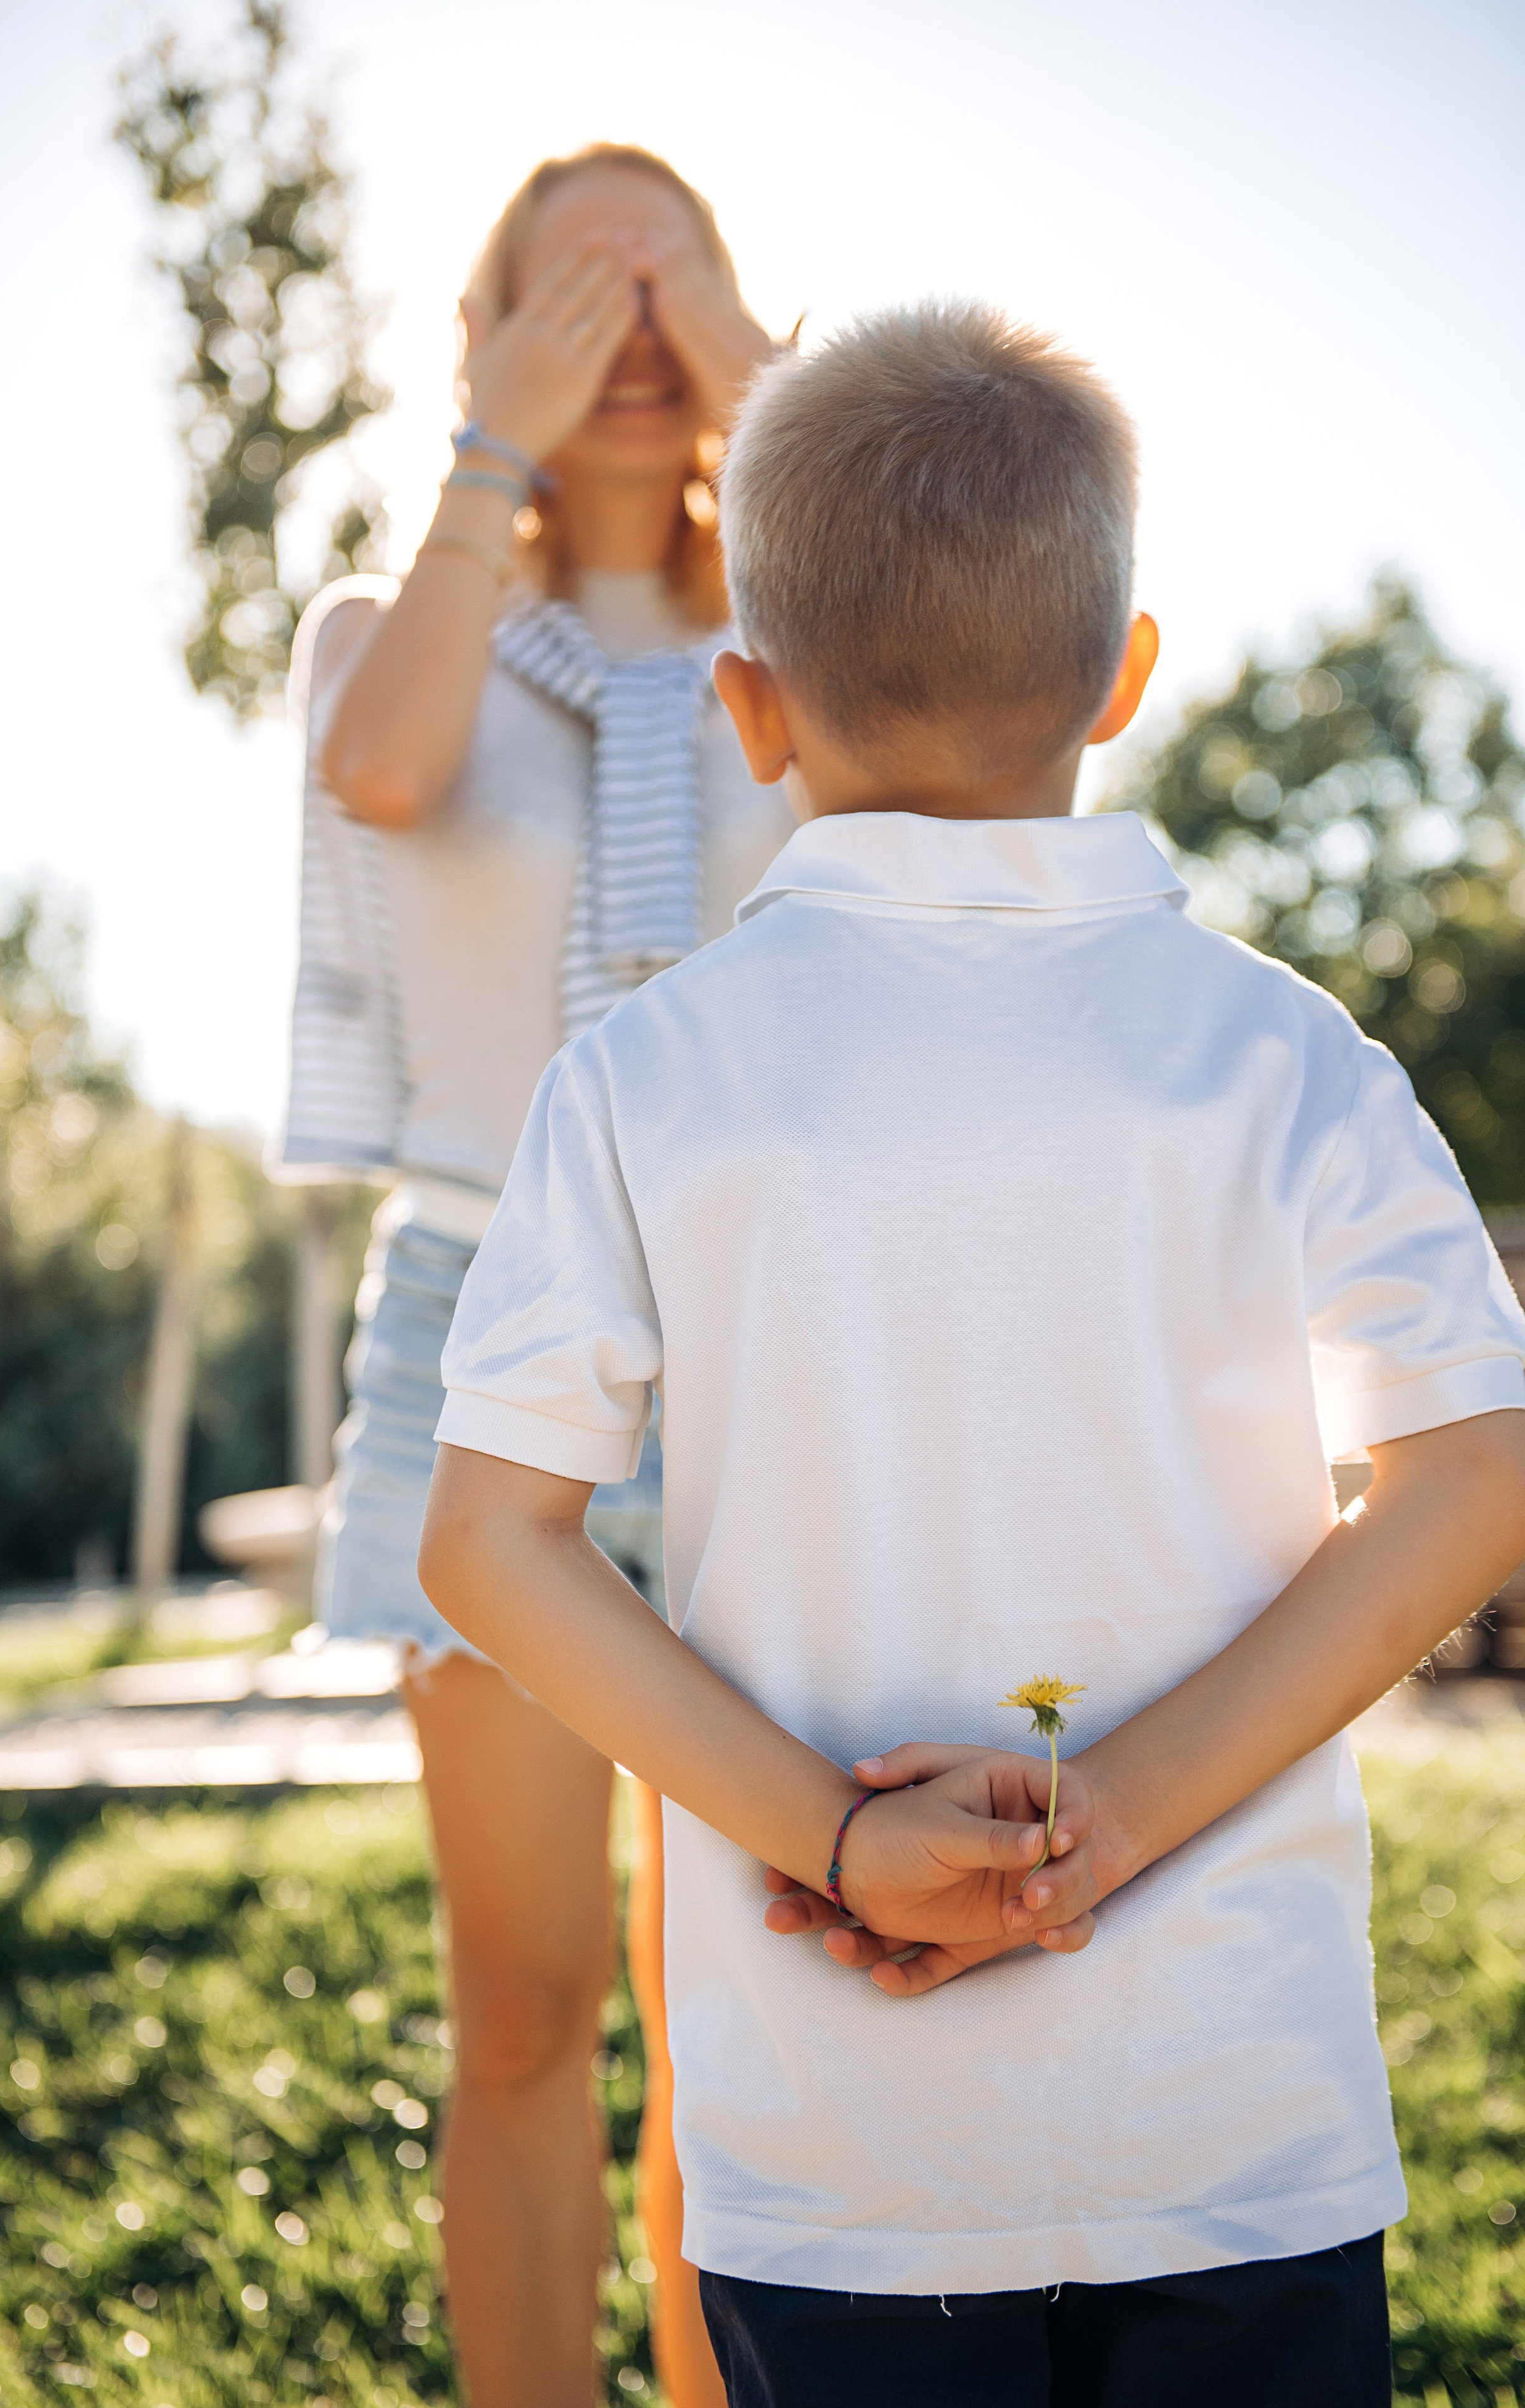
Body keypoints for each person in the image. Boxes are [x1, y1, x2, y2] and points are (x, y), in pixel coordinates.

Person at [416, 301, 1525, 2408]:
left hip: (840, 2157)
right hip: (1235, 2130)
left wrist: (832, 1844)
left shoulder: (649, 1078)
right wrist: (1105, 1820)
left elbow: (491, 1544)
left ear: (752, 707)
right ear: (1125, 677)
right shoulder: (1289, 1053)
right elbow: (1476, 1473)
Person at [282, 145, 791, 2408]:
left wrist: (759, 378)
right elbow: (381, 774)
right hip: (483, 1341)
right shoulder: (392, 644)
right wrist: (497, 447)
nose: (630, 318)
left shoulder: (822, 624)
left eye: (668, 268)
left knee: (746, 2020)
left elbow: (992, 769)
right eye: (572, 284)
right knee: (526, 2006)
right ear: (483, 330)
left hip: (778, 1346)